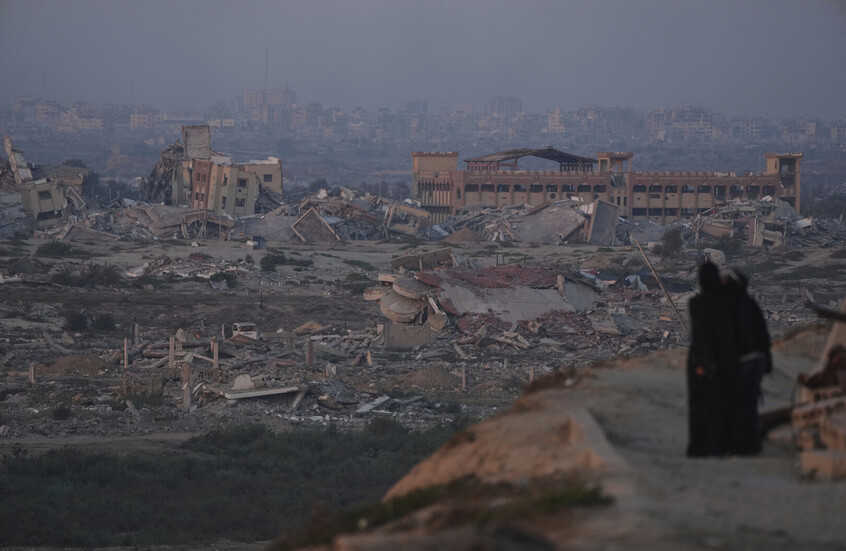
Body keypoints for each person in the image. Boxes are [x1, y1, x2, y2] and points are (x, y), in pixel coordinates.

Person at [687, 262, 741, 457]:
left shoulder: (696, 303)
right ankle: (718, 445)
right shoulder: (725, 302)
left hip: (699, 357)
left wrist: (701, 362)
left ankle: (697, 445)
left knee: (698, 403)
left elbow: (701, 335)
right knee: (720, 403)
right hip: (723, 359)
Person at [724, 269, 771, 455]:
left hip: (742, 362)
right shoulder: (750, 303)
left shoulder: (729, 306)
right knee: (750, 403)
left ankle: (738, 444)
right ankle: (752, 443)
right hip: (757, 359)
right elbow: (763, 334)